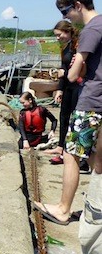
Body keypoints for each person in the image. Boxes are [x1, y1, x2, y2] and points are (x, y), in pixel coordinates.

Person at [33, 0, 102, 233]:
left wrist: (73, 67)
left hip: (92, 100)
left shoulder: (90, 29)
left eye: (65, 11)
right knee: (96, 157)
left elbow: (74, 74)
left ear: (78, 6)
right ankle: (96, 204)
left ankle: (63, 209)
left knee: (72, 154)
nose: (65, 17)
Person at [45, 20, 81, 165]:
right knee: (63, 117)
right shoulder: (65, 48)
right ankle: (60, 147)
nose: (58, 38)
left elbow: (78, 69)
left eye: (59, 35)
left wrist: (63, 72)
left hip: (78, 87)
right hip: (67, 87)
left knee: (74, 121)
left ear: (68, 32)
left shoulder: (78, 47)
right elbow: (63, 67)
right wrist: (59, 89)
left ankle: (71, 153)